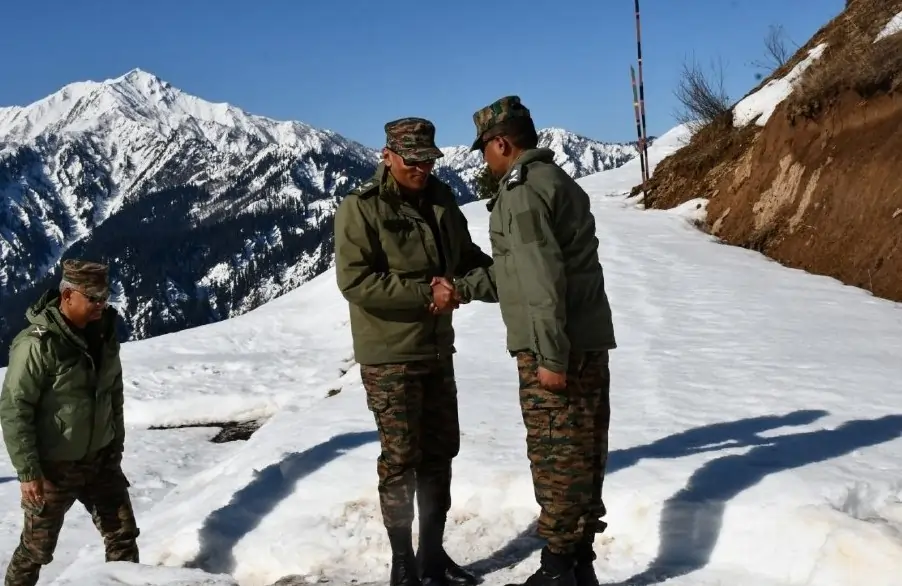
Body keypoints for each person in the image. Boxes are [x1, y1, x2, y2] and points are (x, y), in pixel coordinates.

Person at [451, 96, 617, 586]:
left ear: (502, 143)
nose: (485, 159)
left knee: (556, 456)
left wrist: (549, 355)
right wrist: (462, 287)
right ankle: (579, 564)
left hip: (556, 346)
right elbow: (518, 274)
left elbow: (540, 281)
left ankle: (560, 570)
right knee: (584, 452)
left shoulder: (520, 194)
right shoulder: (555, 180)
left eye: (486, 149)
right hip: (584, 340)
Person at [334, 117, 496, 586]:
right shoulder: (361, 209)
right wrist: (428, 293)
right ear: (387, 156)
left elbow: (466, 258)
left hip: (436, 349)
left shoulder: (442, 200)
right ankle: (402, 561)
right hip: (389, 355)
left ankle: (432, 552)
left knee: (440, 451)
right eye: (412, 161)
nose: (421, 169)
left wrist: (510, 275)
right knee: (401, 457)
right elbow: (356, 281)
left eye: (427, 160)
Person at [0, 259, 140, 586]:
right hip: (53, 467)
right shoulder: (37, 343)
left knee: (122, 535)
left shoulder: (104, 333)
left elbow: (113, 391)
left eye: (104, 298)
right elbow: (14, 407)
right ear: (68, 297)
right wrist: (28, 472)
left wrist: (115, 445)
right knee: (37, 550)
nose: (100, 305)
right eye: (92, 298)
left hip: (101, 459)